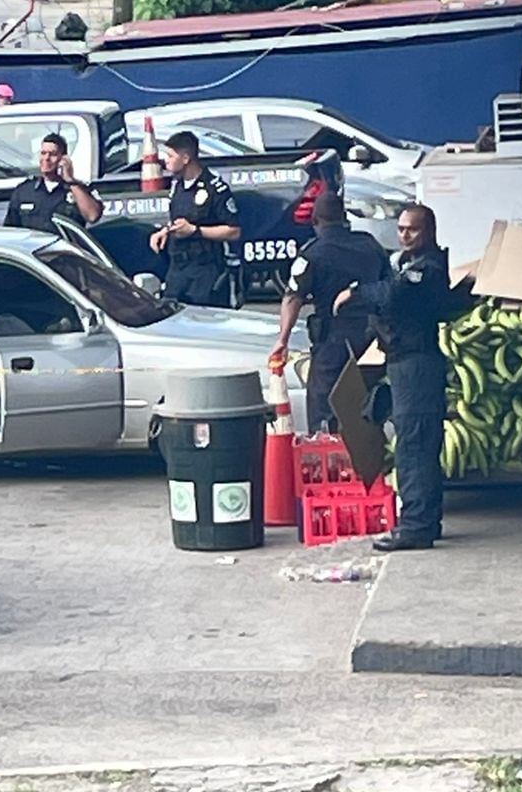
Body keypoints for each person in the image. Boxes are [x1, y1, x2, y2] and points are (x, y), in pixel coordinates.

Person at [334, 202, 451, 553]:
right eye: (400, 229)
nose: (404, 235)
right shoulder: (406, 264)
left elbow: (394, 293)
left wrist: (356, 292)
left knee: (414, 449)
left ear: (429, 231)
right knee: (415, 445)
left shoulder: (427, 269)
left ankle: (416, 527)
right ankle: (425, 522)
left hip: (417, 365)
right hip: (404, 363)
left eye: (412, 229)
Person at [270, 192, 388, 432]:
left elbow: (293, 297)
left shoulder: (312, 253)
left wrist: (282, 339)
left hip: (333, 342)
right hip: (372, 340)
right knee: (368, 404)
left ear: (315, 221)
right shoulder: (370, 244)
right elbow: (389, 287)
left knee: (325, 406)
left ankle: (330, 459)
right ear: (344, 217)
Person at [148, 130, 241, 306]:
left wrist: (196, 231)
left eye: (170, 155)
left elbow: (234, 231)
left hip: (205, 268)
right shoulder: (177, 185)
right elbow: (179, 220)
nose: (165, 160)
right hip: (178, 268)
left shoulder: (215, 187)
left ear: (185, 158)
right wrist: (165, 231)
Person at [4, 132, 102, 233]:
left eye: (53, 154)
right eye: (43, 153)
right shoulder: (24, 191)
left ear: (64, 159)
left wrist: (70, 181)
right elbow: (11, 232)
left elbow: (92, 216)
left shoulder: (78, 190)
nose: (46, 158)